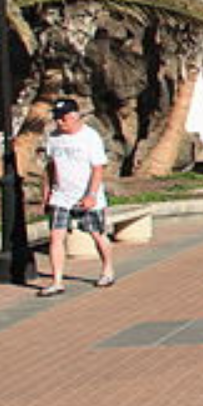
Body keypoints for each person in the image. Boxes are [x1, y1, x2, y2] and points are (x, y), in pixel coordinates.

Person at [39, 99, 115, 295]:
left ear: (74, 116)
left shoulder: (90, 137)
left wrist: (91, 195)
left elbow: (98, 168)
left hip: (87, 195)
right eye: (56, 118)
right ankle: (57, 281)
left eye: (62, 118)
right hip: (61, 195)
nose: (59, 123)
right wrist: (46, 194)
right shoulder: (54, 137)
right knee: (56, 237)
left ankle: (107, 269)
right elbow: (50, 167)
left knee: (97, 234)